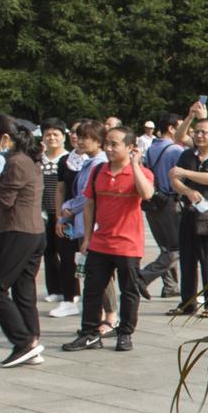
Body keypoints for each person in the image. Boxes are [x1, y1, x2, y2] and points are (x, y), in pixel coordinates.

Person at [61, 125, 153, 352]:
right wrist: (87, 238)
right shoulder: (98, 170)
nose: (109, 148)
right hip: (100, 242)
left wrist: (134, 164)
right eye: (107, 144)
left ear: (130, 147)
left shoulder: (141, 172)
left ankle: (125, 333)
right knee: (92, 289)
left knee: (129, 291)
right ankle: (90, 333)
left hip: (128, 244)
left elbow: (147, 194)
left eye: (115, 144)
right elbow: (90, 204)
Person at [0, 115, 48, 367]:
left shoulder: (17, 161)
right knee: (23, 289)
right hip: (34, 233)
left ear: (6, 137)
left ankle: (23, 342)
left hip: (18, 232)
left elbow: (5, 201)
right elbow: (7, 192)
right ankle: (32, 342)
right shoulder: (28, 159)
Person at [169, 117, 208, 315]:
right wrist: (187, 191)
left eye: (204, 132)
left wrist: (185, 173)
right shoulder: (187, 155)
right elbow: (174, 179)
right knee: (187, 259)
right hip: (188, 212)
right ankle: (187, 303)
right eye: (197, 132)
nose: (199, 135)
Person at [51, 121, 105, 321]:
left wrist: (68, 209)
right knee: (86, 269)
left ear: (98, 141)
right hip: (81, 222)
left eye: (85, 137)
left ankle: (107, 317)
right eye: (77, 135)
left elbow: (87, 195)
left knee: (99, 273)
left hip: (94, 223)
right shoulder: (83, 161)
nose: (79, 140)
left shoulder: (99, 163)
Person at [137, 113, 186, 299]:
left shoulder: (151, 148)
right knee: (175, 248)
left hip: (153, 202)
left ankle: (170, 286)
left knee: (165, 247)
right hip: (170, 202)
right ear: (172, 128)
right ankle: (142, 277)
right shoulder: (176, 151)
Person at [37, 120, 75, 305]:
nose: (52, 138)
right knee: (48, 251)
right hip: (43, 212)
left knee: (67, 253)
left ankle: (72, 291)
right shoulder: (38, 159)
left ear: (63, 137)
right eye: (48, 134)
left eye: (56, 134)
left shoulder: (69, 159)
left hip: (64, 213)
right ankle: (54, 289)